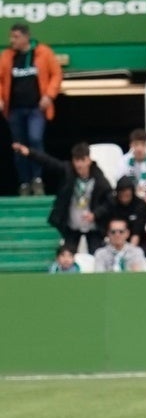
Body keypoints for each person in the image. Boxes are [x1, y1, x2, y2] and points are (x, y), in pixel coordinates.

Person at [2, 25, 63, 196]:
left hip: (36, 109)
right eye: (11, 37)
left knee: (35, 140)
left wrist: (49, 96)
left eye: (15, 37)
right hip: (15, 110)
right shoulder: (7, 56)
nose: (12, 40)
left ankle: (37, 180)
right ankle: (24, 183)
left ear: (25, 37)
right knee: (18, 147)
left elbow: (56, 74)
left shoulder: (43, 52)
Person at [16, 140, 109, 251]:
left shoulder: (99, 178)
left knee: (98, 254)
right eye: (76, 160)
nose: (79, 164)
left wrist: (95, 214)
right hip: (72, 225)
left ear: (88, 160)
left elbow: (109, 201)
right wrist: (30, 152)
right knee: (66, 255)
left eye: (82, 160)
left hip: (92, 226)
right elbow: (48, 162)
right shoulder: (68, 171)